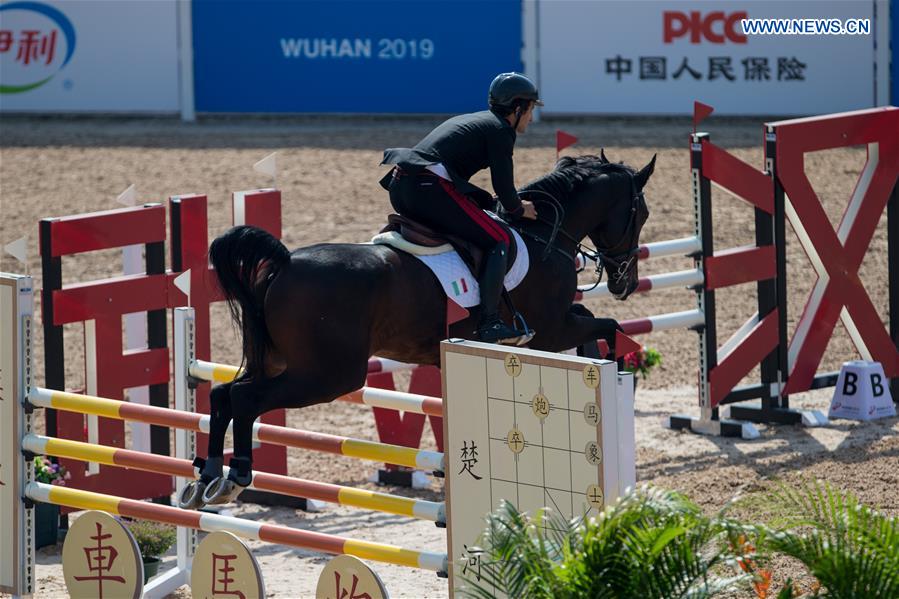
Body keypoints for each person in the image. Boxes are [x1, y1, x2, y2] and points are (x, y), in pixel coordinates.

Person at [379, 72, 541, 345]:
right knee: (498, 238)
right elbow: (504, 188)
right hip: (428, 190)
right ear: (517, 108)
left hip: (401, 187)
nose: (531, 117)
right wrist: (518, 209)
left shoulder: (477, 120)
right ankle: (490, 322)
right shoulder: (501, 131)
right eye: (530, 109)